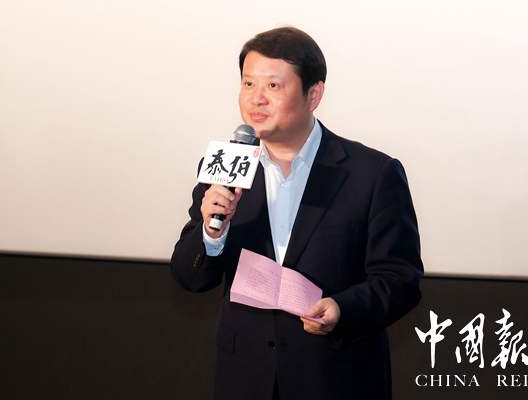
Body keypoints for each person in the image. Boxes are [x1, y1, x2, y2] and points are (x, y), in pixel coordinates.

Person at [171, 26, 423, 400]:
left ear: (313, 94)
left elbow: (401, 280)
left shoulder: (372, 174)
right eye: (248, 84)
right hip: (246, 380)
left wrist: (342, 309)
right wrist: (211, 234)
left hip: (336, 379)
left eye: (273, 86)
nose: (256, 98)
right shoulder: (226, 169)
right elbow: (190, 277)